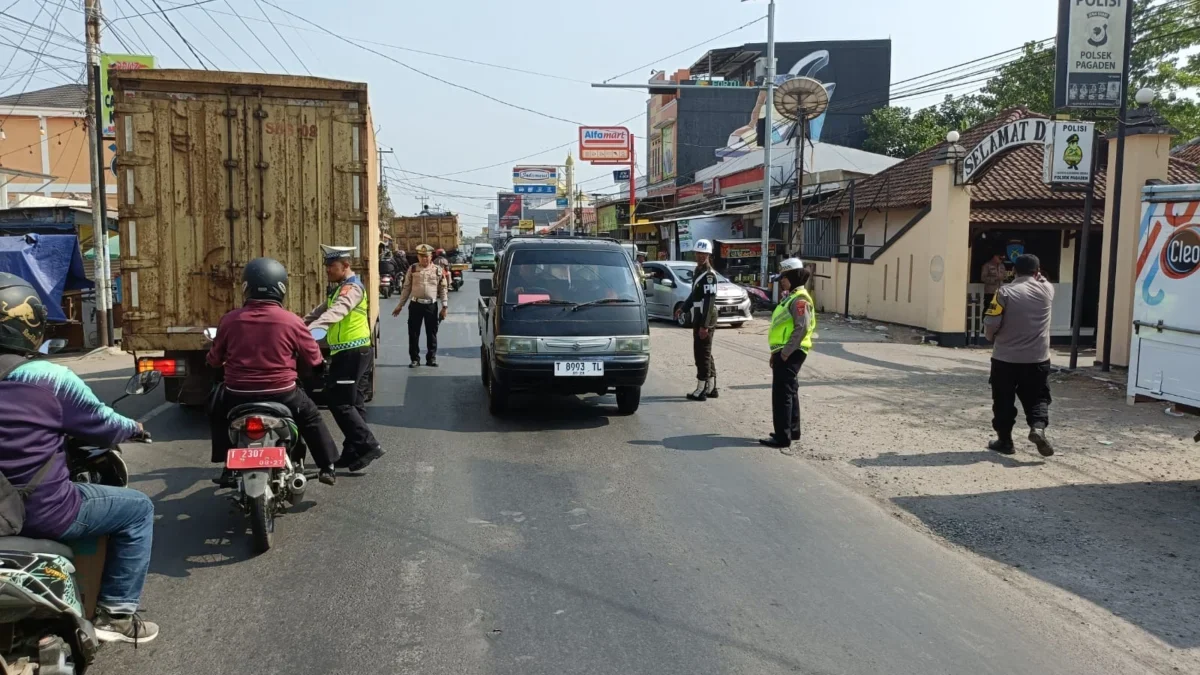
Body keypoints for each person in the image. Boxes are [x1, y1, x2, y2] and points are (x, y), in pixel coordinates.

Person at [0, 272, 158, 643]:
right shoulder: (47, 378)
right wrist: (134, 428)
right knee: (138, 509)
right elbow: (104, 424)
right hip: (43, 513)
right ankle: (117, 614)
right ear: (30, 324)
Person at [207, 258, 339, 487]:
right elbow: (313, 357)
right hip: (283, 392)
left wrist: (212, 362)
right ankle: (327, 466)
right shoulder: (291, 321)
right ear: (281, 288)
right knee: (311, 417)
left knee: (217, 412)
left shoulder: (229, 320)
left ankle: (227, 465)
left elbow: (215, 359)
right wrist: (319, 368)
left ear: (246, 287)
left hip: (237, 393)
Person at [305, 245, 384, 472]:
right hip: (353, 352)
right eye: (327, 266)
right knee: (354, 403)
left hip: (352, 353)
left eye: (332, 266)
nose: (328, 270)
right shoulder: (339, 288)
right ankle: (352, 452)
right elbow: (316, 313)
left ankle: (369, 445)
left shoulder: (352, 289)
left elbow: (337, 311)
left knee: (337, 401)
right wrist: (293, 328)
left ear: (346, 266)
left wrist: (313, 332)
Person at [983, 253, 1055, 457]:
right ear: (1037, 271)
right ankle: (1037, 427)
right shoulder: (1047, 290)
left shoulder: (1004, 292)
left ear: (1013, 271)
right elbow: (1041, 279)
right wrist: (1037, 275)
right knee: (1038, 397)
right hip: (1038, 358)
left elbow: (990, 322)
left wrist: (992, 338)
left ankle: (1005, 441)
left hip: (1005, 358)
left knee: (1003, 399)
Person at [760, 259, 816, 454]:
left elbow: (802, 328)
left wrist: (784, 353)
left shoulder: (799, 299)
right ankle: (792, 430)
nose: (781, 281)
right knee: (790, 390)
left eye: (783, 277)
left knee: (782, 394)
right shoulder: (791, 297)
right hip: (785, 351)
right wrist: (775, 353)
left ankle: (782, 436)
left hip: (791, 352)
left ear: (791, 277)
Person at [392, 243, 448, 367]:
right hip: (415, 304)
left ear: (431, 256)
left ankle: (431, 358)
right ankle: (415, 359)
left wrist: (444, 307)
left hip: (431, 306)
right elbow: (406, 288)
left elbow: (443, 289)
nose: (424, 259)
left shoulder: (438, 270)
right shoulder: (412, 269)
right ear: (418, 257)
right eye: (422, 256)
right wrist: (400, 305)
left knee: (431, 333)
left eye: (427, 256)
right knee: (413, 333)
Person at [685, 239, 720, 401]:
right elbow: (694, 295)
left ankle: (701, 389)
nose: (700, 256)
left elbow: (709, 300)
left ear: (708, 255)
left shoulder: (709, 275)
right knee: (705, 352)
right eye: (698, 253)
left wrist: (704, 325)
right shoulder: (698, 271)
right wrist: (683, 308)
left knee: (701, 353)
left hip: (706, 315)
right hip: (698, 313)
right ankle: (712, 387)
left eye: (703, 253)